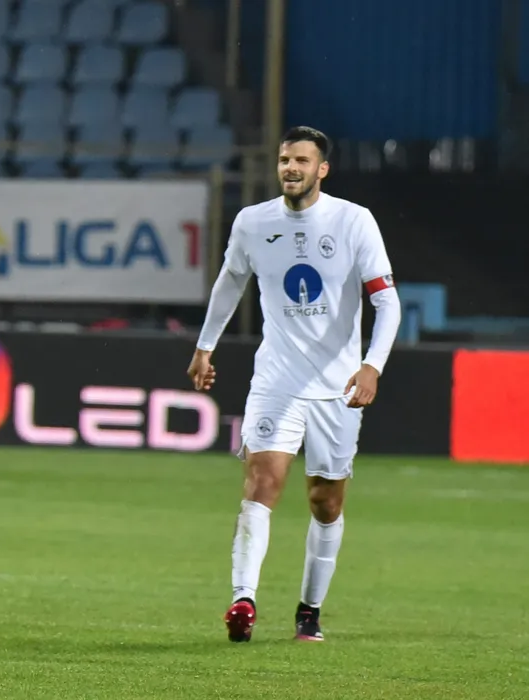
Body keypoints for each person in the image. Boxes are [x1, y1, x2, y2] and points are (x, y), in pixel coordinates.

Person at [186, 126, 401, 643]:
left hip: (337, 388)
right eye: (285, 159)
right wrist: (204, 345)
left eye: (302, 160)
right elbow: (230, 283)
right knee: (262, 484)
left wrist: (372, 365)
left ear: (322, 169)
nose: (291, 168)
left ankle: (310, 609)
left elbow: (386, 301)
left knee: (326, 502)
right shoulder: (253, 221)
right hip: (276, 380)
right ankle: (243, 600)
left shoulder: (353, 221)